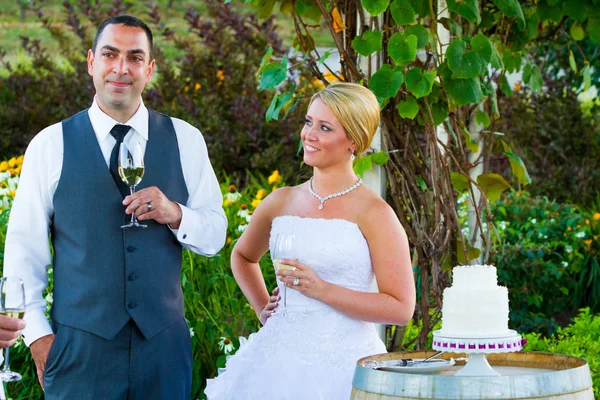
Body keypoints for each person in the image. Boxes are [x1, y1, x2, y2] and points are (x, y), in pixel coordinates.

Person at [3, 14, 227, 399]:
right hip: (80, 352)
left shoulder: (186, 139)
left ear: (150, 69)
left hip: (164, 350)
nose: (121, 69)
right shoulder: (50, 144)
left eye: (135, 57)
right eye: (110, 54)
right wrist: (39, 339)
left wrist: (176, 214)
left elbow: (215, 235)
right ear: (91, 62)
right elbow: (24, 254)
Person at [204, 82, 416, 399]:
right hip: (276, 363)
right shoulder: (281, 201)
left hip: (345, 365)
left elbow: (401, 308)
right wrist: (263, 308)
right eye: (308, 122)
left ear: (354, 141)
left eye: (324, 127)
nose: (309, 135)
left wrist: (322, 290)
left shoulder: (375, 213)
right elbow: (243, 257)